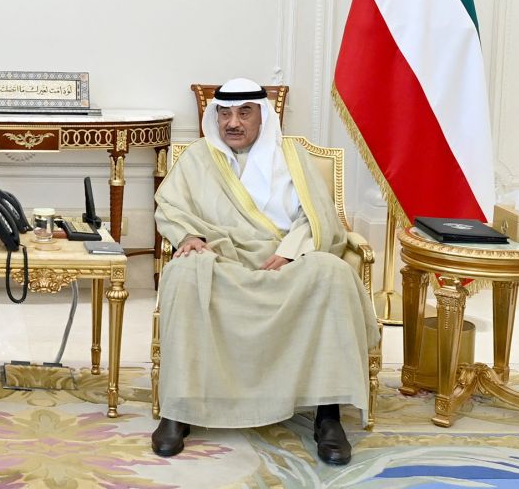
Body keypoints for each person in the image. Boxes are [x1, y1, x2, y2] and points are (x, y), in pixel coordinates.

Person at [152, 78, 379, 465]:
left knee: (333, 274)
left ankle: (327, 414)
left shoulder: (292, 156)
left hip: (285, 261)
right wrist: (189, 236)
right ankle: (179, 409)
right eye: (224, 114)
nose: (233, 123)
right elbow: (170, 208)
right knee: (183, 274)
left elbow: (320, 217)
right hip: (222, 259)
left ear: (263, 115)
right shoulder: (198, 158)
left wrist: (291, 252)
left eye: (244, 112)